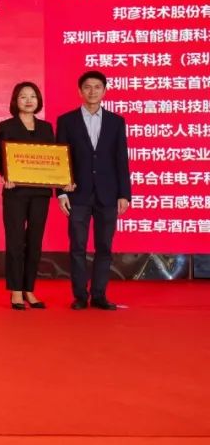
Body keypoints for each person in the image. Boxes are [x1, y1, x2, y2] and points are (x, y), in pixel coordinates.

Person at [56, 71, 132, 310]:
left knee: (104, 247)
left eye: (97, 87)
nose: (92, 91)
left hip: (108, 194)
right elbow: (61, 158)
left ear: (105, 90)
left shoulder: (116, 121)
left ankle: (99, 295)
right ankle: (80, 296)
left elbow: (121, 159)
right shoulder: (66, 121)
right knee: (77, 247)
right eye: (87, 87)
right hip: (77, 194)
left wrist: (124, 194)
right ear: (79, 91)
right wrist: (61, 192)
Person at [0, 82, 59, 310]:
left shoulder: (46, 128)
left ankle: (29, 289)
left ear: (38, 100)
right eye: (23, 96)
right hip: (15, 192)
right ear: (16, 100)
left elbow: (53, 158)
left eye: (33, 96)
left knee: (34, 241)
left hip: (40, 192)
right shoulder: (6, 126)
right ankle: (15, 290)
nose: (29, 100)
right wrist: (6, 175)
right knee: (15, 240)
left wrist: (61, 178)